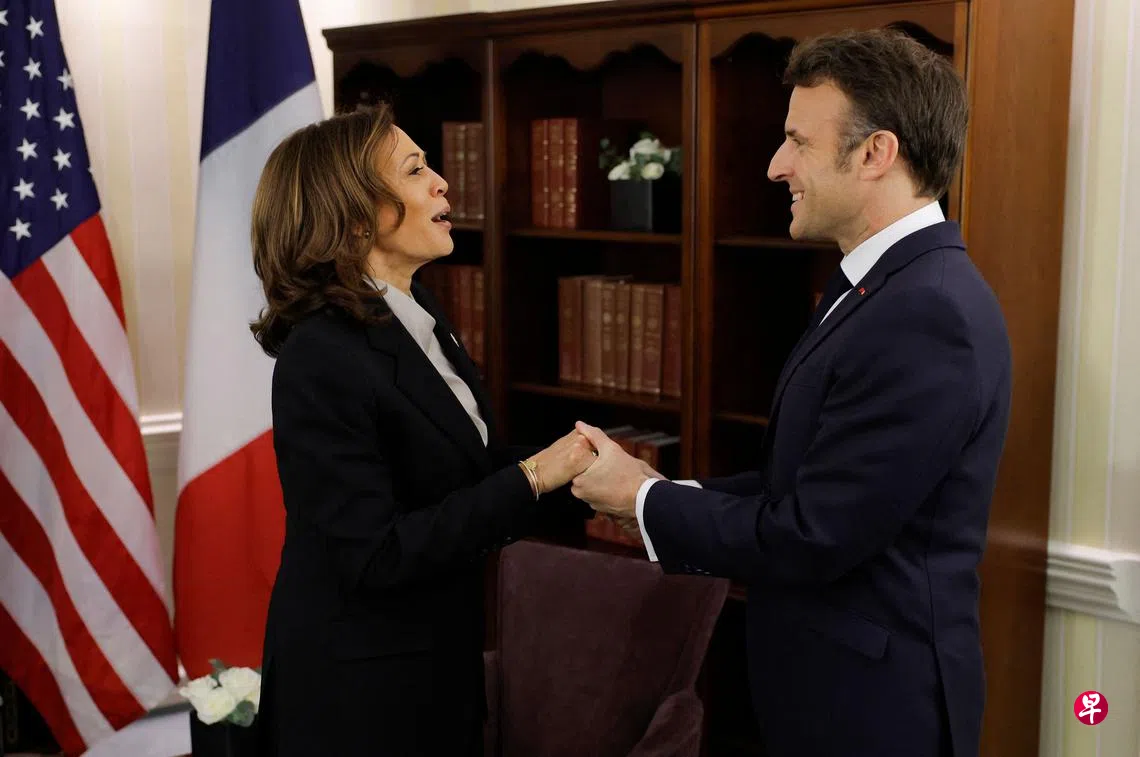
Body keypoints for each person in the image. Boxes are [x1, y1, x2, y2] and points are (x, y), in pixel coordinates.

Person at [571, 28, 1011, 757]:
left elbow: (815, 534)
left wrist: (643, 502)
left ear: (876, 154)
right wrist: (658, 489)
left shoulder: (926, 311)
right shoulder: (883, 286)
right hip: (831, 693)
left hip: (873, 714)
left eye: (798, 141)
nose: (776, 165)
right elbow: (804, 480)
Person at [248, 104, 596, 757]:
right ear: (355, 217)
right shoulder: (319, 357)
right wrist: (533, 476)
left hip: (436, 671)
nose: (441, 183)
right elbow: (376, 555)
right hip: (359, 701)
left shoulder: (416, 312)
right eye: (415, 171)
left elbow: (465, 471)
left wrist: (588, 473)